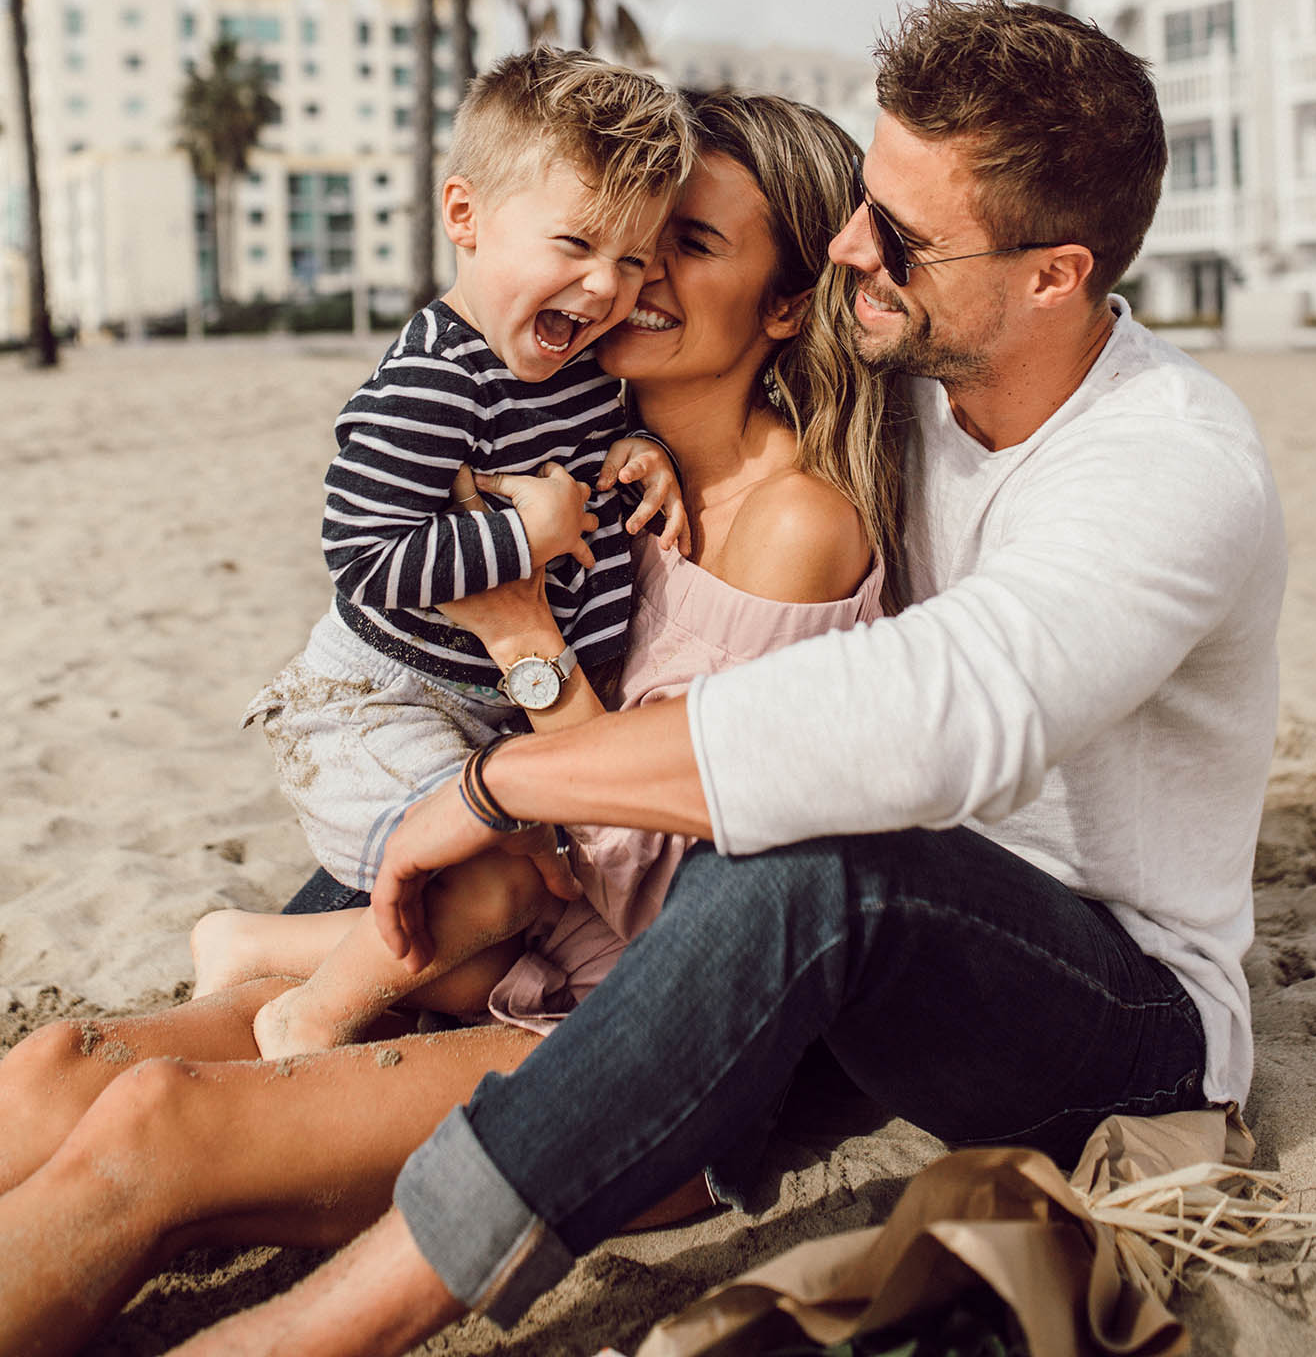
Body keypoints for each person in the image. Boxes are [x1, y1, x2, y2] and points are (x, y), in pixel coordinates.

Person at [141, 0, 1283, 1357]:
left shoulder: (1168, 466)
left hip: (1110, 1004)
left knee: (823, 855)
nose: (859, 249)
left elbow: (933, 726)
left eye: (906, 240)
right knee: (184, 1058)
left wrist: (509, 776)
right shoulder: (904, 374)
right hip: (816, 965)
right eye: (863, 202)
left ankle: (328, 1326)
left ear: (1056, 273)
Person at [0, 87, 902, 1356]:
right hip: (485, 929)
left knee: (158, 1133)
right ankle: (275, 960)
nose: (630, 281)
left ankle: (274, 965)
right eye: (626, 240)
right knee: (67, 1072)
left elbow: (688, 909)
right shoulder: (581, 423)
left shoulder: (795, 528)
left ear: (787, 303)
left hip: (614, 1019)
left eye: (683, 249)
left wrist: (522, 634)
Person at [207, 45, 694, 1062]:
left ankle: (250, 944)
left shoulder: (569, 362)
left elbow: (568, 449)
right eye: (575, 243)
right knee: (499, 889)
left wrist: (632, 448)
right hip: (380, 702)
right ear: (464, 217)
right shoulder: (431, 382)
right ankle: (305, 1014)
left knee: (482, 954)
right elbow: (365, 555)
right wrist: (528, 535)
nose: (606, 286)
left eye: (636, 258)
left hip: (481, 709)